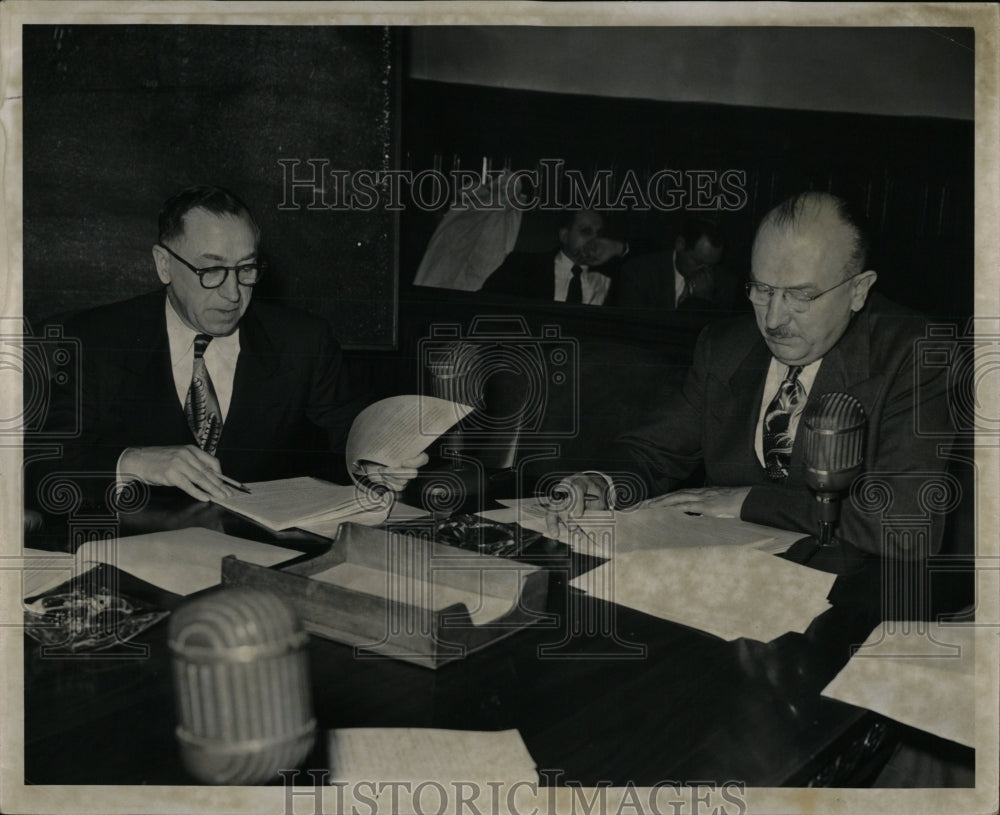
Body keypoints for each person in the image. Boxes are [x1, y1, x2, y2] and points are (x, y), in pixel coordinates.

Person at [547, 191, 955, 559]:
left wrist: (746, 501)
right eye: (762, 290)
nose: (774, 320)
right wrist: (600, 482)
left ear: (858, 290)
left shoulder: (914, 355)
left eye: (800, 296)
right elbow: (653, 451)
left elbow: (904, 526)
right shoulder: (725, 345)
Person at [37, 185, 423, 506]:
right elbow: (37, 465)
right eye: (212, 270)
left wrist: (375, 464)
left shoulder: (302, 341)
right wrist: (134, 462)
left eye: (246, 269)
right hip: (134, 553)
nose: (232, 292)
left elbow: (351, 438)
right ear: (164, 265)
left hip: (264, 560)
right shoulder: (94, 337)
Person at [478, 209, 627, 305]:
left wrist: (617, 248)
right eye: (586, 231)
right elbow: (485, 305)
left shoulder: (613, 275)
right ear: (564, 235)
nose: (595, 241)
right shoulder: (523, 265)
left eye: (599, 234)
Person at [611, 214, 740, 311]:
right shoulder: (639, 272)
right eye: (698, 261)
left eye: (711, 265)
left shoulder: (726, 284)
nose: (703, 271)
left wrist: (702, 302)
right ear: (680, 244)